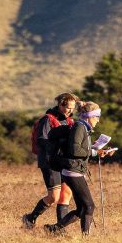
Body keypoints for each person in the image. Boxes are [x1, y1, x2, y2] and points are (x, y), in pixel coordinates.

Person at [45, 101, 115, 235]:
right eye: (97, 117)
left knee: (81, 209)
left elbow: (82, 148)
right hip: (73, 171)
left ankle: (52, 229)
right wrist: (95, 152)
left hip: (75, 171)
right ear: (89, 116)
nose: (98, 120)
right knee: (89, 206)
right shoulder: (79, 127)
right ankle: (85, 237)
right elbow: (75, 150)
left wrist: (101, 150)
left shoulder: (84, 127)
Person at [21, 92, 78, 229]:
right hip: (49, 162)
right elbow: (41, 140)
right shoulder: (47, 120)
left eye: (73, 108)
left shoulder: (70, 121)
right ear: (60, 105)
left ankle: (59, 229)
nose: (70, 110)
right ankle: (29, 218)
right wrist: (58, 145)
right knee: (53, 197)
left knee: (66, 194)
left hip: (63, 161)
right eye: (68, 107)